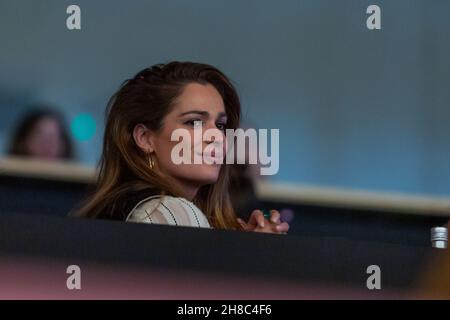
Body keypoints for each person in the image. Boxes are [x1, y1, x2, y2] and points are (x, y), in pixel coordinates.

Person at [75, 62, 289, 234]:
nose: (216, 136)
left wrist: (246, 251)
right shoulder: (172, 211)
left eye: (221, 125)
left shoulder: (124, 207)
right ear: (145, 138)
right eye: (194, 122)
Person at [8, 108, 74, 161]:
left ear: (64, 145)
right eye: (40, 136)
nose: (48, 144)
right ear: (23, 142)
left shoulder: (75, 176)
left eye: (53, 138)